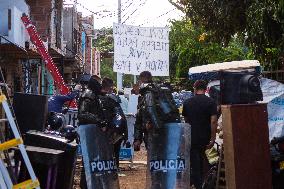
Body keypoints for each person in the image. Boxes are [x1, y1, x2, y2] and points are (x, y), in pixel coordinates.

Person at [182, 80, 218, 189]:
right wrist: (212, 138)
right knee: (203, 162)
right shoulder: (211, 102)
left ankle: (198, 185)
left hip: (192, 138)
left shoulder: (187, 103)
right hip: (205, 139)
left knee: (195, 164)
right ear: (206, 89)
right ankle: (202, 184)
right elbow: (213, 121)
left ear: (194, 88)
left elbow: (186, 121)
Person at [133, 71, 180, 151]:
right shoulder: (163, 91)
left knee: (154, 159)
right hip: (170, 131)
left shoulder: (147, 93)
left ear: (141, 80)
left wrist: (138, 139)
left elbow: (144, 114)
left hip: (153, 133)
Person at [100, 77, 128, 169]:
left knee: (111, 152)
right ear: (111, 87)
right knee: (112, 152)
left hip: (110, 130)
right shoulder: (111, 98)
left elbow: (119, 116)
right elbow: (121, 116)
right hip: (109, 130)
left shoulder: (100, 97)